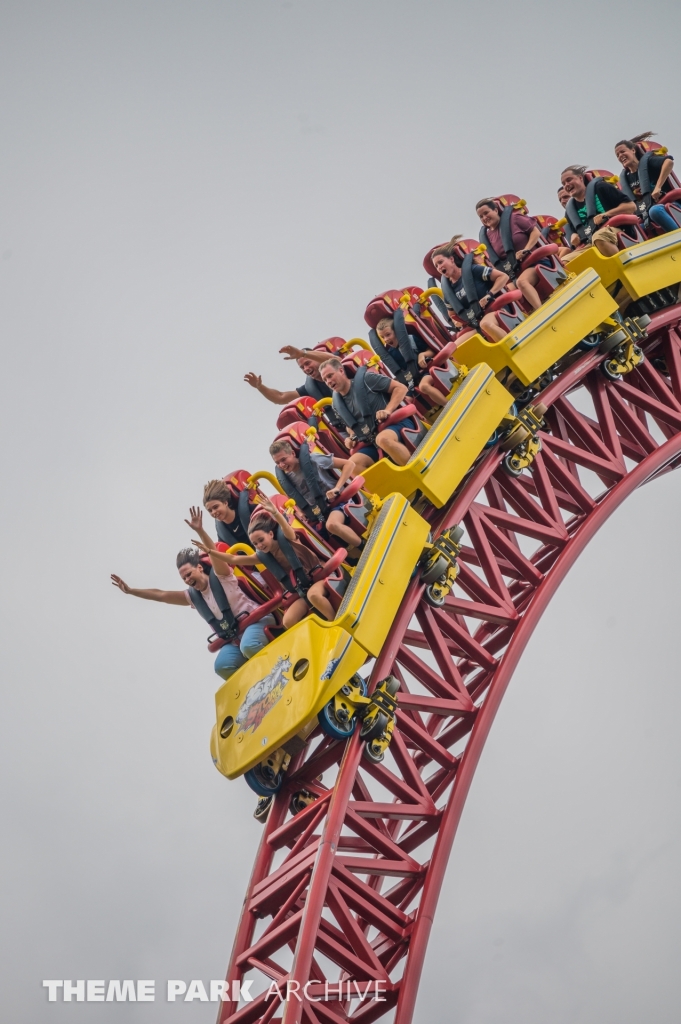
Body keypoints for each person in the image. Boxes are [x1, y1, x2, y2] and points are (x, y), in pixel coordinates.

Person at [110, 508, 274, 681]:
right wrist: (131, 591)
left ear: (200, 568)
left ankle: (275, 672)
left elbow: (214, 553)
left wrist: (200, 531)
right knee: (222, 666)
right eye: (184, 578)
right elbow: (161, 595)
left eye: (189, 574)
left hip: (256, 621)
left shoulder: (221, 576)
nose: (187, 579)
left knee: (249, 645)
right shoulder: (193, 597)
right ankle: (258, 685)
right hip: (234, 637)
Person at [194, 496, 336, 628]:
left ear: (271, 534)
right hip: (302, 590)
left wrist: (275, 512)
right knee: (288, 621)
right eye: (255, 544)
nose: (260, 545)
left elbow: (285, 526)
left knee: (314, 596)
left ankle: (335, 624)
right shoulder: (262, 557)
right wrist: (210, 551)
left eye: (261, 540)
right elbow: (233, 559)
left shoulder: (288, 538)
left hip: (321, 577)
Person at [269, 438, 364, 558]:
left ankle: (364, 546)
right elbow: (293, 497)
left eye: (283, 459)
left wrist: (337, 488)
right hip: (319, 514)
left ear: (292, 453)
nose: (282, 465)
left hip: (338, 502)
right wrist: (300, 512)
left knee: (332, 525)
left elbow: (349, 464)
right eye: (278, 463)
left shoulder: (313, 459)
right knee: (308, 541)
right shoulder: (287, 479)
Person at [319, 356, 414, 467]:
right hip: (372, 440)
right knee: (351, 465)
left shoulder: (367, 379)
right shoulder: (336, 405)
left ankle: (415, 470)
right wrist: (351, 437)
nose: (328, 381)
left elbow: (401, 388)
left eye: (330, 376)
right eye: (325, 380)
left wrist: (387, 410)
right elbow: (349, 426)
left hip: (395, 424)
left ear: (341, 371)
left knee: (383, 439)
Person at [430, 236, 511, 342]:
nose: (439, 267)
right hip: (477, 323)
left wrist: (490, 294)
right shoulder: (448, 290)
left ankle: (512, 346)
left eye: (440, 262)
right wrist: (456, 321)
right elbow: (451, 313)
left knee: (486, 324)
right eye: (436, 266)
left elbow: (503, 277)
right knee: (455, 347)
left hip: (495, 310)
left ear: (451, 259)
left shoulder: (472, 270)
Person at [476, 198, 547, 310]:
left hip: (535, 263)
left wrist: (526, 249)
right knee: (501, 297)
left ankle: (542, 312)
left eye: (486, 213)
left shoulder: (514, 218)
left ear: (495, 210)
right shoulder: (487, 238)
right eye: (481, 216)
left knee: (522, 282)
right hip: (514, 274)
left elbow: (535, 232)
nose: (484, 218)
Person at [560, 165, 637, 260]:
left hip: (617, 232)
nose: (566, 185)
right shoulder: (570, 210)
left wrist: (606, 214)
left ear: (580, 178)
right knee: (565, 261)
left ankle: (621, 263)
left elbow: (631, 206)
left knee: (599, 236)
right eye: (563, 184)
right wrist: (574, 236)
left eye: (569, 180)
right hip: (591, 242)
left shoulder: (601, 188)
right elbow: (575, 232)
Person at [372, 316, 448, 408]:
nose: (386, 339)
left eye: (388, 335)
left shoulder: (411, 339)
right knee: (402, 401)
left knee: (423, 386)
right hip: (411, 380)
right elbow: (400, 371)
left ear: (396, 331)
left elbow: (432, 351)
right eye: (382, 337)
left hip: (426, 372)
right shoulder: (391, 353)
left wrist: (422, 355)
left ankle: (448, 405)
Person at [615, 132, 678, 234]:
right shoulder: (625, 179)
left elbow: (669, 162)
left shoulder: (648, 162)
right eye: (617, 155)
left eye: (622, 152)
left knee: (655, 211)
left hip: (669, 205)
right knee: (635, 230)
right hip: (646, 216)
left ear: (633, 150)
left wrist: (658, 187)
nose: (620, 156)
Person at [244, 349, 334, 406]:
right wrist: (260, 387)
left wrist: (303, 353)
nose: (306, 369)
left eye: (307, 363)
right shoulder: (311, 388)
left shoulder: (338, 365)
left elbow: (335, 360)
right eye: (302, 367)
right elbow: (281, 397)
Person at [202, 478, 252, 548]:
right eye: (210, 510)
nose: (213, 512)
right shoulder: (222, 530)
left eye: (216, 507)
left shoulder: (250, 510)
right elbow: (218, 552)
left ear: (225, 503)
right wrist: (199, 530)